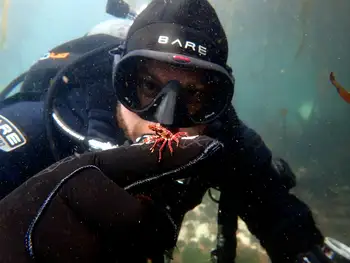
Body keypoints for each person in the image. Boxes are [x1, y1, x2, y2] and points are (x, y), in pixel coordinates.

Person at [0, 0, 331, 262]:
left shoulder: (225, 142)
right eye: (147, 85)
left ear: (217, 99)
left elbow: (278, 212)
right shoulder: (40, 124)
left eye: (195, 94)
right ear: (120, 80)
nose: (166, 119)